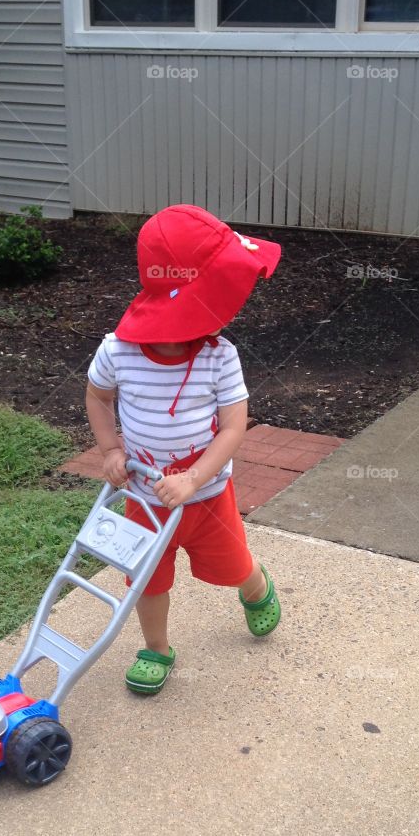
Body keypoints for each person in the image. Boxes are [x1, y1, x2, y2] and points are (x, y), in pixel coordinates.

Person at [84, 203, 282, 695]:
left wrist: (194, 478)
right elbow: (97, 395)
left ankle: (256, 588)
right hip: (146, 500)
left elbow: (234, 427)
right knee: (147, 580)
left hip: (208, 496)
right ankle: (156, 648)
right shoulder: (117, 351)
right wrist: (110, 448)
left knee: (232, 564)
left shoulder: (221, 357)